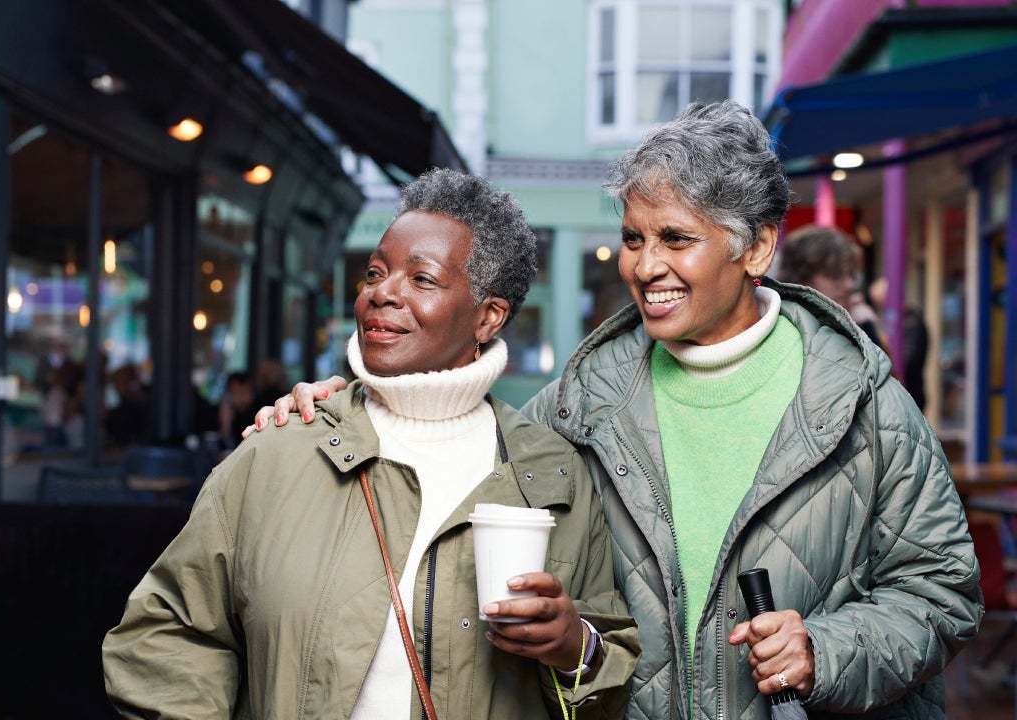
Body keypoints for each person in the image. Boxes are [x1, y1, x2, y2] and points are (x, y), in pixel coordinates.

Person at [248, 101, 982, 719]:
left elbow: (942, 589)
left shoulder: (861, 398)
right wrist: (349, 408)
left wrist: (829, 648)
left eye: (675, 239)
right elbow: (454, 431)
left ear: (756, 247)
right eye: (633, 238)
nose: (644, 264)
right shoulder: (582, 398)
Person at [103, 168, 639, 719]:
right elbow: (165, 636)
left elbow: (609, 679)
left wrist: (578, 647)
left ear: (488, 317)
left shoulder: (551, 474)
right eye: (375, 273)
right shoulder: (279, 451)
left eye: (421, 279)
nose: (382, 292)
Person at [775, 224, 886, 350]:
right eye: (835, 275)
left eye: (850, 274)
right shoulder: (780, 328)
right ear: (801, 279)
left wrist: (865, 332)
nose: (849, 285)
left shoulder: (854, 320)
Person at [869, 276, 930, 411]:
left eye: (882, 303)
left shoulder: (911, 323)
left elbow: (907, 361)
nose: (882, 309)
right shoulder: (901, 322)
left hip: (910, 393)